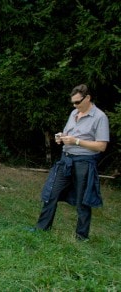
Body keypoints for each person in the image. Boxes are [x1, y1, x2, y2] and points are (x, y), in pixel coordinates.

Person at [31, 84, 110, 241]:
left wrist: (77, 141)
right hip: (66, 160)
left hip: (84, 162)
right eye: (73, 103)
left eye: (77, 102)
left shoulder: (100, 117)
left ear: (88, 98)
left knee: (82, 200)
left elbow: (101, 146)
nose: (74, 106)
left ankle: (81, 237)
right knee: (51, 193)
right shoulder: (74, 113)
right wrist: (61, 137)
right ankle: (42, 228)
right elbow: (68, 133)